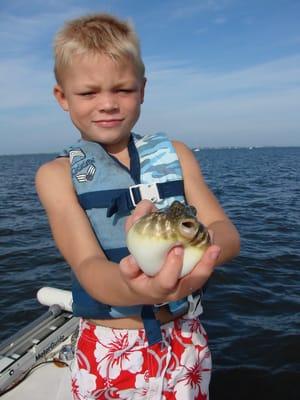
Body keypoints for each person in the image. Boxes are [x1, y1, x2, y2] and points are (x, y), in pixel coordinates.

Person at [36, 13, 240, 400]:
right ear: (62, 97)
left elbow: (225, 230)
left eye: (124, 90)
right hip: (109, 347)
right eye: (88, 93)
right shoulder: (56, 176)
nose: (108, 104)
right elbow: (88, 267)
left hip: (185, 341)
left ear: (143, 90)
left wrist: (203, 249)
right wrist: (135, 287)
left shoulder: (178, 154)